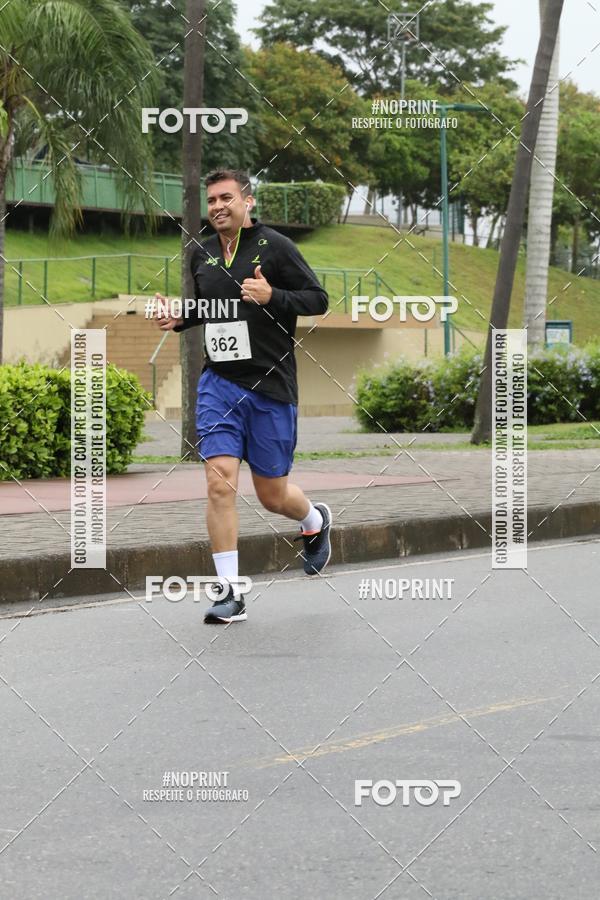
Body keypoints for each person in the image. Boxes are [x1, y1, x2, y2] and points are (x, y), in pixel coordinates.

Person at [156, 169, 331, 624]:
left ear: (247, 201)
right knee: (219, 483)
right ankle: (230, 592)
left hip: (270, 386)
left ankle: (313, 520)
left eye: (226, 198)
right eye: (211, 199)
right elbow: (214, 309)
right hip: (219, 385)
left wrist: (273, 296)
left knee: (273, 496)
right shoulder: (202, 253)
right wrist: (181, 316)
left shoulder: (276, 247)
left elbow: (318, 299)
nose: (217, 206)